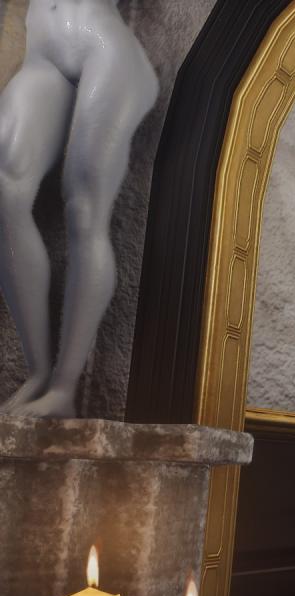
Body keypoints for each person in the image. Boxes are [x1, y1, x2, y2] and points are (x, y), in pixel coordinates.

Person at [0, 0, 159, 417]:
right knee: (5, 189)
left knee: (85, 208)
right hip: (42, 52)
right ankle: (38, 373)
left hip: (104, 47)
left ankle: (63, 388)